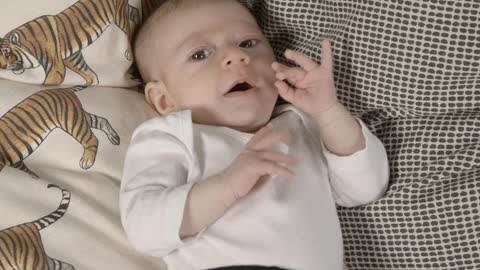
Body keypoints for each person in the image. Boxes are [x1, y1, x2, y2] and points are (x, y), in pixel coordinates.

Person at [119, 0, 390, 269]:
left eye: (247, 43)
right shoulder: (171, 138)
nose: (237, 57)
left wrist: (330, 111)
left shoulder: (301, 122)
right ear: (165, 100)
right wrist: (227, 186)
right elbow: (144, 228)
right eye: (200, 54)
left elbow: (366, 189)